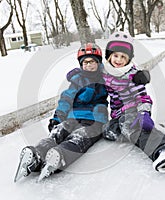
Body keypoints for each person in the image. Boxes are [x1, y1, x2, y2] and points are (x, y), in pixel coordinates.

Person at [14, 43, 108, 182]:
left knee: (79, 137)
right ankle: (37, 155)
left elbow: (122, 86)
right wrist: (58, 117)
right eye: (85, 62)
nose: (89, 65)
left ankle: (60, 155)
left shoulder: (106, 79)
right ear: (81, 65)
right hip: (73, 116)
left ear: (99, 63)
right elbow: (66, 99)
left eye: (92, 62)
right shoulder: (77, 81)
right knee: (58, 132)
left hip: (95, 120)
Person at [102, 31, 165, 172]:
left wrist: (144, 113)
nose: (118, 60)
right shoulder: (106, 72)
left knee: (130, 128)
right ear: (109, 56)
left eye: (123, 57)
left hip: (134, 110)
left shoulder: (132, 76)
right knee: (109, 131)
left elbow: (143, 97)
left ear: (129, 59)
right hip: (117, 114)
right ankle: (159, 130)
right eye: (115, 55)